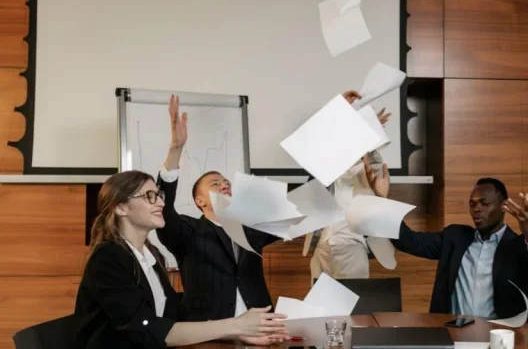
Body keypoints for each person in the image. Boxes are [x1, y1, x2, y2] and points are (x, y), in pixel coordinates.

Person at [75, 170, 290, 348]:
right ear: (121, 207)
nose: (160, 202)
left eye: (159, 196)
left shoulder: (151, 257)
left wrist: (238, 333)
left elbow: (172, 317)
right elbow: (146, 326)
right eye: (150, 196)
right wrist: (237, 326)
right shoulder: (108, 257)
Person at [155, 95, 281, 321]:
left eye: (227, 183)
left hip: (261, 325)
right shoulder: (188, 231)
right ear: (199, 201)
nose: (224, 185)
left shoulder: (251, 228)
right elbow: (163, 207)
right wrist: (176, 149)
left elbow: (303, 209)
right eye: (215, 184)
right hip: (209, 329)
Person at [390, 177, 528, 319]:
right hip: (455, 336)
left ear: (504, 206)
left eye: (484, 203)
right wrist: (383, 198)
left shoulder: (518, 246)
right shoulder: (455, 238)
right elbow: (409, 241)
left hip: (501, 338)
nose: (476, 209)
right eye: (472, 204)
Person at [303, 90, 393, 280]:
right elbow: (316, 141)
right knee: (317, 307)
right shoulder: (326, 161)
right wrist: (339, 109)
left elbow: (378, 184)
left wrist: (370, 133)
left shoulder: (371, 164)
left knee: (351, 307)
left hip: (351, 245)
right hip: (322, 245)